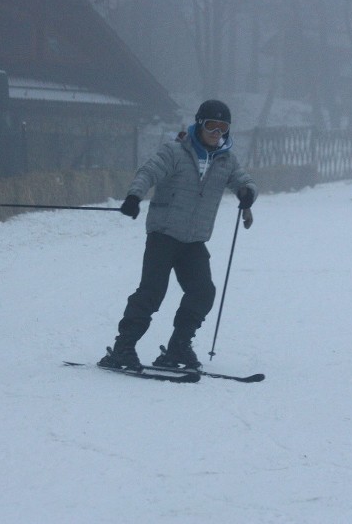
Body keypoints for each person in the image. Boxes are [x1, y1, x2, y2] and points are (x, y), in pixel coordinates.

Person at [98, 99, 257, 371]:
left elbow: (243, 180)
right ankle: (123, 348)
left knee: (203, 292)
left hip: (195, 239)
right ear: (199, 123)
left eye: (223, 128)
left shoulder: (226, 160)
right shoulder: (175, 151)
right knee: (152, 292)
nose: (216, 133)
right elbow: (149, 171)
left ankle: (178, 347)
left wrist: (247, 193)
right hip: (164, 234)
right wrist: (135, 196)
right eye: (211, 126)